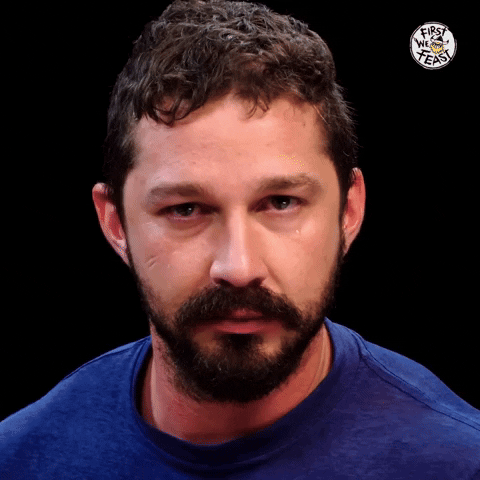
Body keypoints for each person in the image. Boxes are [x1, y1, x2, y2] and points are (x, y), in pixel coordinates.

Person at [1, 0, 479, 478]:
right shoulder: (19, 460)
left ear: (348, 211)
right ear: (115, 224)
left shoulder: (458, 462)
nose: (239, 267)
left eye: (281, 202)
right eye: (185, 209)